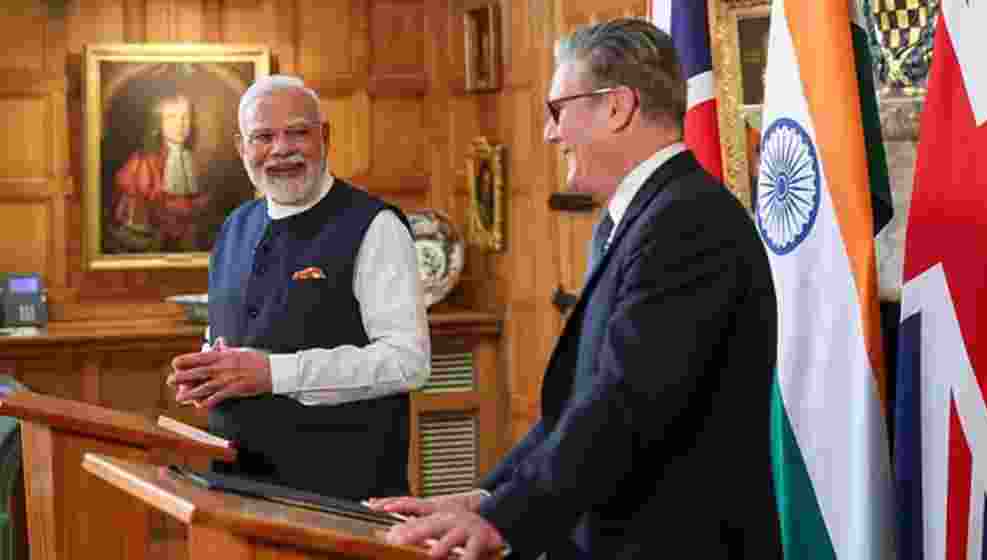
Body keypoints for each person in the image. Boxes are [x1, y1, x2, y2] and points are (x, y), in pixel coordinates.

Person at [371, 18, 782, 560]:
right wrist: (487, 499)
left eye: (558, 109)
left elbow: (626, 403)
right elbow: (578, 404)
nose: (549, 132)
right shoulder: (642, 217)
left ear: (617, 107)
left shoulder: (687, 222)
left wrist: (506, 519)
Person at [167, 75, 431, 500]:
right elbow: (232, 336)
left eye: (297, 133)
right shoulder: (234, 226)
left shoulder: (375, 225)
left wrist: (272, 373)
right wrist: (209, 373)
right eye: (263, 137)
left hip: (342, 496)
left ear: (324, 137)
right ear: (241, 147)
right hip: (234, 490)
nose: (281, 149)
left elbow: (408, 362)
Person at [111, 94, 209, 251]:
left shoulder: (191, 159)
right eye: (171, 117)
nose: (180, 124)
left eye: (185, 117)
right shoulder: (143, 162)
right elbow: (145, 207)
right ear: (158, 123)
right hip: (150, 240)